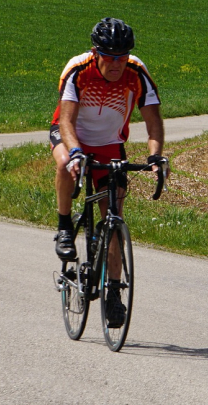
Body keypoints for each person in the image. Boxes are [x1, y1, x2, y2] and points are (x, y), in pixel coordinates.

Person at [50, 17, 166, 328]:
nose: (117, 63)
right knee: (64, 164)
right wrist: (75, 153)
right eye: (110, 57)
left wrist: (155, 157)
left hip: (110, 144)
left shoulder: (136, 73)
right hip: (72, 136)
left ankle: (113, 294)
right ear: (96, 52)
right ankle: (64, 226)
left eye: (123, 56)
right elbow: (66, 121)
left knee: (114, 217)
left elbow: (153, 122)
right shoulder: (78, 69)